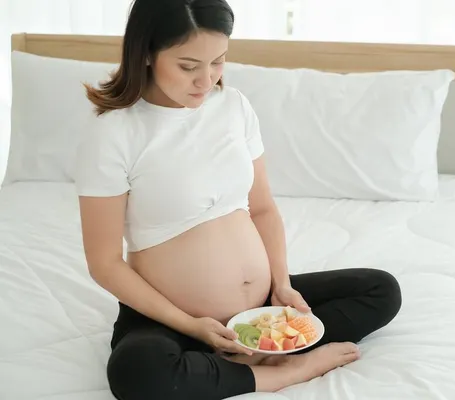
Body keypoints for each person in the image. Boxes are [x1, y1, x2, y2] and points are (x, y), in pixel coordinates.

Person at [74, 0, 402, 399]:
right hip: (172, 317)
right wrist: (191, 325)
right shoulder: (113, 132)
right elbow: (104, 262)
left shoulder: (233, 107)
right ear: (145, 53)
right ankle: (284, 371)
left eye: (218, 62)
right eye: (188, 66)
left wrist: (281, 285)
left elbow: (262, 208)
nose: (206, 80)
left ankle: (249, 353)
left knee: (381, 290)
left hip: (262, 311)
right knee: (137, 373)